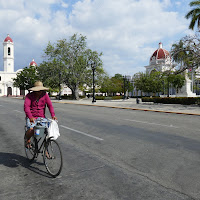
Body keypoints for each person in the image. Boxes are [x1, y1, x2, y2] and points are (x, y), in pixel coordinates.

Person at [24, 81, 57, 146]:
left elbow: (50, 105)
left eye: (41, 90)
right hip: (31, 117)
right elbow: (26, 107)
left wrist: (53, 115)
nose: (40, 92)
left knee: (48, 131)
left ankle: (46, 151)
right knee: (31, 130)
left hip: (41, 117)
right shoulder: (29, 96)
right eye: (38, 90)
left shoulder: (45, 95)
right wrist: (30, 117)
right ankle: (27, 138)